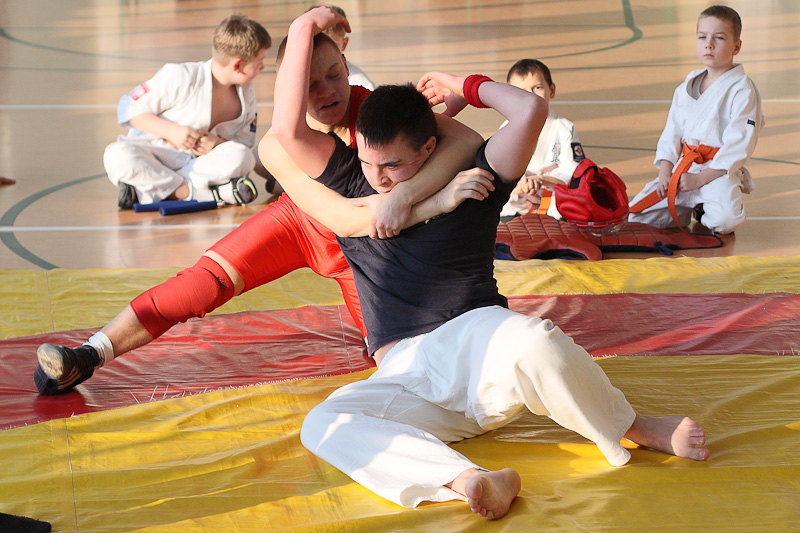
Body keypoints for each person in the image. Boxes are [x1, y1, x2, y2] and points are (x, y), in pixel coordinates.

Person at [270, 7, 709, 520]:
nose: (379, 179)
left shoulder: (476, 177)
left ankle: (630, 426)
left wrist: (465, 85)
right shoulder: (352, 181)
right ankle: (468, 480)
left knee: (535, 339)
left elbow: (529, 111)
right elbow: (288, 131)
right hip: (406, 371)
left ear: (429, 148)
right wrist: (302, 26)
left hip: (476, 346)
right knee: (324, 424)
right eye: (369, 163)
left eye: (391, 166)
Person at [33, 26, 482, 395]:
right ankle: (89, 354)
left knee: (399, 357)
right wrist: (424, 201)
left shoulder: (375, 109)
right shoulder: (279, 142)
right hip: (310, 221)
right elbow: (342, 218)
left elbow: (465, 139)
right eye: (310, 85)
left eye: (334, 75)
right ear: (290, 89)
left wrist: (404, 195)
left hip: (367, 251)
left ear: (347, 67)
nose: (327, 91)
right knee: (200, 283)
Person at [103, 15, 269, 209]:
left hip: (198, 167)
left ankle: (149, 190)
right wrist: (170, 131)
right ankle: (199, 193)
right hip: (157, 156)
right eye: (259, 62)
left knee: (243, 157)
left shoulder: (246, 92)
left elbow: (242, 144)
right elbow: (127, 107)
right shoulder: (181, 76)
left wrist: (216, 143)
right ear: (238, 65)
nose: (263, 67)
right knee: (116, 155)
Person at [628, 5, 764, 234]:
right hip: (685, 170)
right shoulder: (688, 84)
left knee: (725, 222)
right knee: (635, 216)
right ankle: (687, 208)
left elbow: (739, 145)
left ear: (736, 46)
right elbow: (672, 132)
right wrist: (665, 172)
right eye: (702, 37)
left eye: (719, 37)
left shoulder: (742, 89)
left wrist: (700, 179)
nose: (709, 44)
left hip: (717, 172)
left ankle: (704, 207)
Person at [499, 59, 585, 218]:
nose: (530, 96)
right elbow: (500, 170)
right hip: (516, 203)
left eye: (537, 88)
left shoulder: (564, 128)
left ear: (551, 91)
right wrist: (521, 183)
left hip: (554, 203)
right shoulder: (506, 129)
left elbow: (574, 171)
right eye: (521, 91)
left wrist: (541, 180)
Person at [323, 5, 375, 90]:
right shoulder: (302, 75)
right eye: (315, 44)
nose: (323, 53)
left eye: (333, 46)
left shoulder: (359, 81)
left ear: (344, 44)